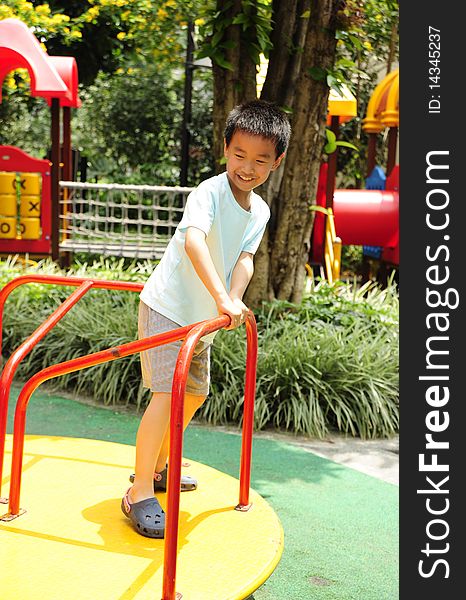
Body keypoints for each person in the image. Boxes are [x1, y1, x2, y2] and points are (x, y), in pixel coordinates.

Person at [121, 99, 291, 538]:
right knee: (165, 394)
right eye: (239, 154)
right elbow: (195, 242)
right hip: (168, 310)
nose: (247, 167)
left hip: (201, 320)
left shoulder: (260, 211)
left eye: (260, 160)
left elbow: (246, 259)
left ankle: (159, 467)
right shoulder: (208, 193)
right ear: (225, 148)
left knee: (193, 395)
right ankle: (139, 491)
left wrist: (232, 299)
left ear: (277, 162)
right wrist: (221, 297)